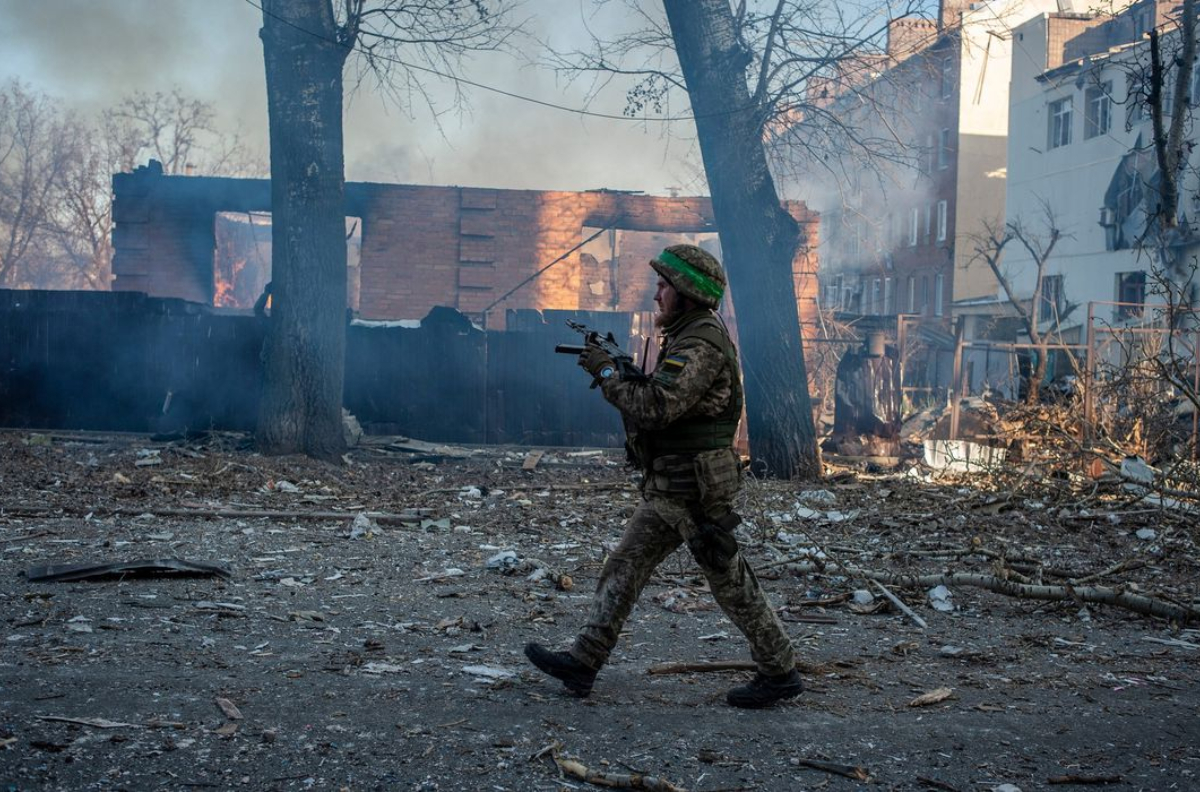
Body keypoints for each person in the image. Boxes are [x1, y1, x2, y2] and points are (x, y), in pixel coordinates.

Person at [524, 244, 802, 709]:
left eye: (663, 286)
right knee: (625, 566)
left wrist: (610, 373)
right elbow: (665, 396)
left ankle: (780, 671)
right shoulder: (686, 335)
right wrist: (626, 372)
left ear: (686, 293)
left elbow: (657, 408)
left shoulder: (700, 343)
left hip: (694, 489)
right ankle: (584, 662)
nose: (656, 295)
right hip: (670, 485)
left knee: (728, 578)